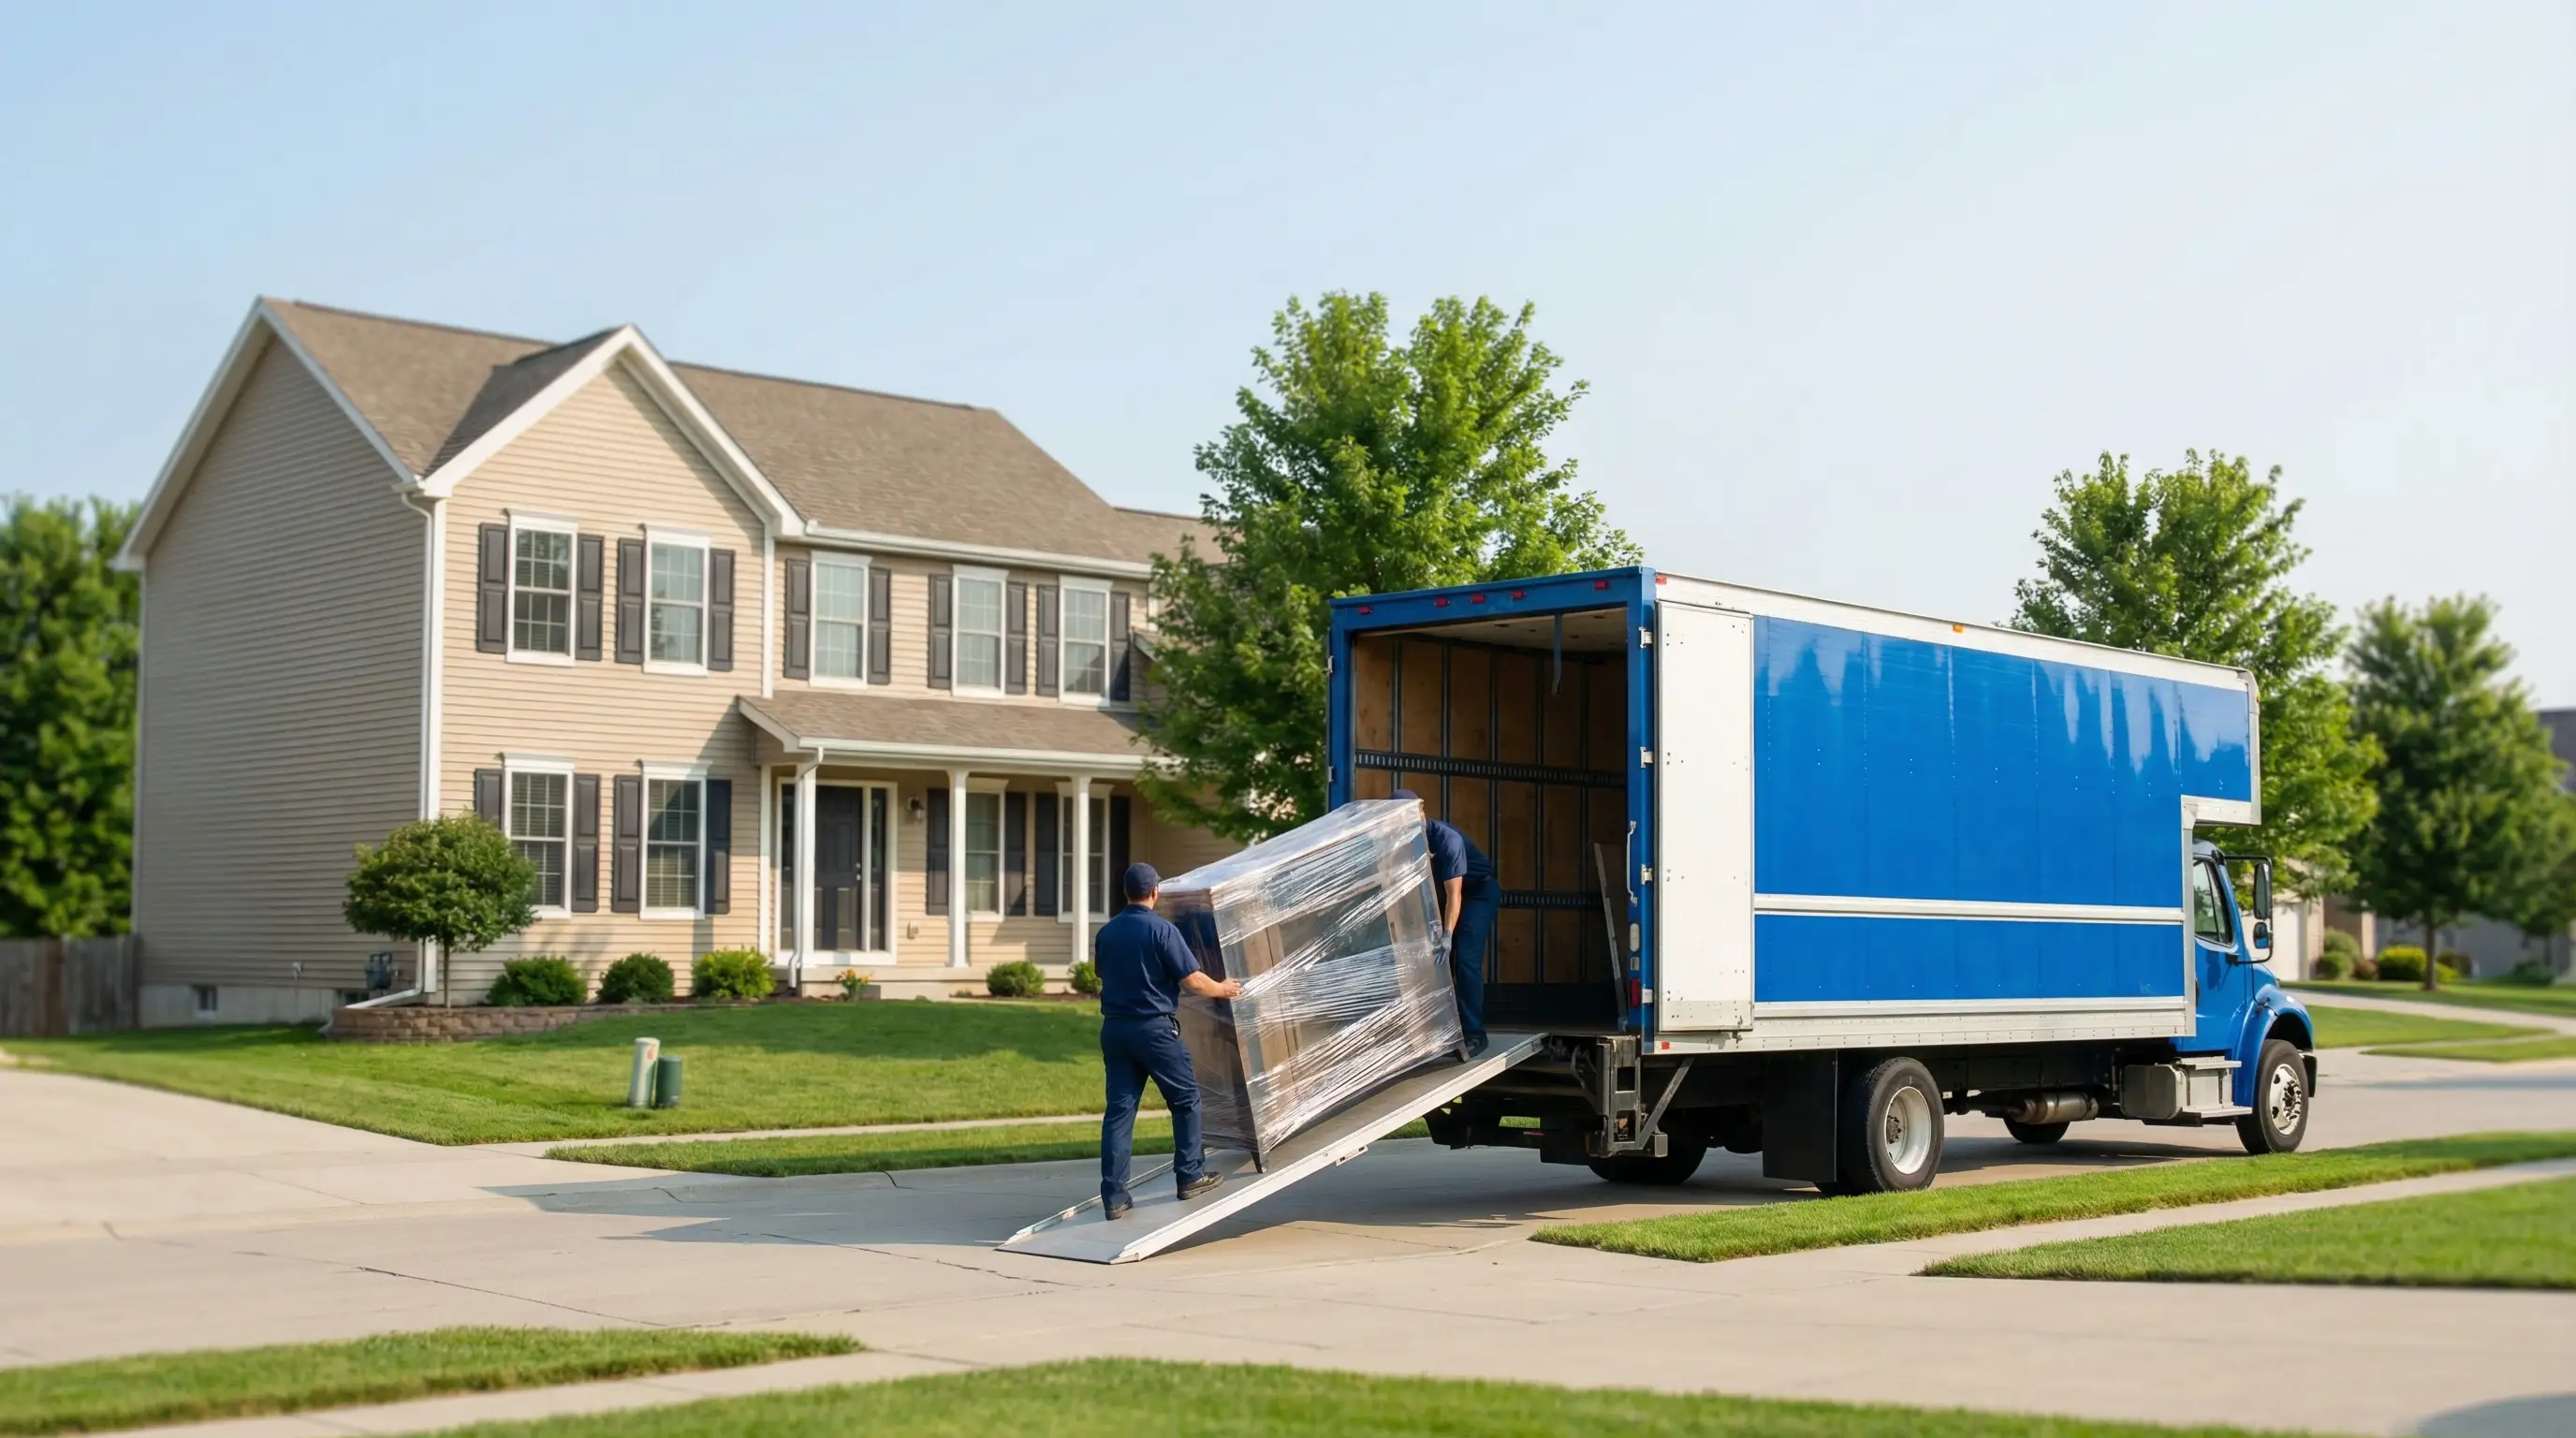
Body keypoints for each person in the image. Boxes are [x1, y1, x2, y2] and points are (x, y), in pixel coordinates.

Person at [1092, 861, 1241, 1220]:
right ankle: (1190, 1176)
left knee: (1119, 1112)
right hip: (1154, 1030)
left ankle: (1114, 1197)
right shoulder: (1162, 931)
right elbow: (1193, 981)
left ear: (1126, 892)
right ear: (1155, 892)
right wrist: (1222, 988)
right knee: (1186, 1099)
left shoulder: (1106, 933)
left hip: (1115, 1030)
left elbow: (1103, 973)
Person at [1392, 789, 1497, 1057]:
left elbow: (1455, 894)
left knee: (1464, 959)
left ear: (1421, 809)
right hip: (1440, 895)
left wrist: (1447, 934)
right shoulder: (1403, 842)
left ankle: (1475, 1035)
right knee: (1430, 960)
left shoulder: (1447, 839)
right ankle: (1442, 1033)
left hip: (1477, 894)